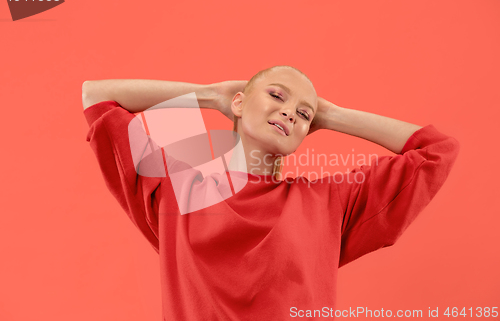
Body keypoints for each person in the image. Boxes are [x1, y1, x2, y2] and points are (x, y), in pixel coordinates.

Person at [82, 65, 460, 320]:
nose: (291, 112)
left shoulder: (328, 202)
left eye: (304, 113)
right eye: (277, 96)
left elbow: (436, 152)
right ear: (240, 102)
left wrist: (331, 114)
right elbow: (97, 97)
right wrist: (212, 95)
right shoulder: (176, 189)